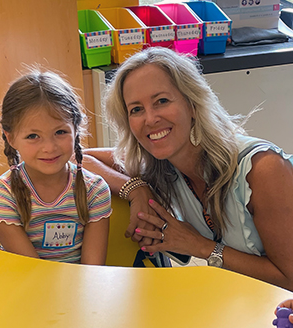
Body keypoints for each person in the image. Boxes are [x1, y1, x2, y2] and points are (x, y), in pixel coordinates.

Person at [83, 46, 293, 290]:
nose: (150, 119)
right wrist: (136, 189)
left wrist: (199, 246)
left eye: (161, 101)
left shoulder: (263, 169)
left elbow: (289, 280)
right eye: (136, 109)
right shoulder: (165, 165)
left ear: (192, 104)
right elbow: (79, 159)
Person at [0, 69, 112, 265]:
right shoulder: (2, 196)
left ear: (76, 129)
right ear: (11, 138)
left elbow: (92, 270)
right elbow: (33, 272)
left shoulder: (94, 190)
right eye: (33, 136)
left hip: (82, 288)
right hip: (30, 288)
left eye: (60, 132)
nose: (49, 148)